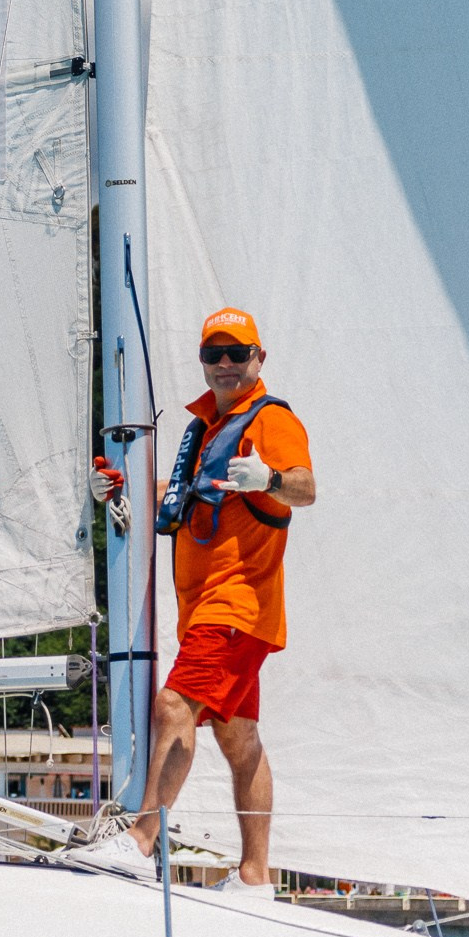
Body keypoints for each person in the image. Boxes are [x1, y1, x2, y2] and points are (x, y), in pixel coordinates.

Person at [68, 307, 315, 898]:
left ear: (260, 358)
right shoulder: (203, 429)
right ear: (203, 362)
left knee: (173, 705)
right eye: (214, 355)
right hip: (216, 611)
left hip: (236, 605)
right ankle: (256, 877)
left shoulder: (271, 419)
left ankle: (139, 842)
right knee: (239, 739)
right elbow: (184, 496)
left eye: (237, 353)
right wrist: (116, 486)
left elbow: (306, 487)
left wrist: (269, 480)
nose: (226, 364)